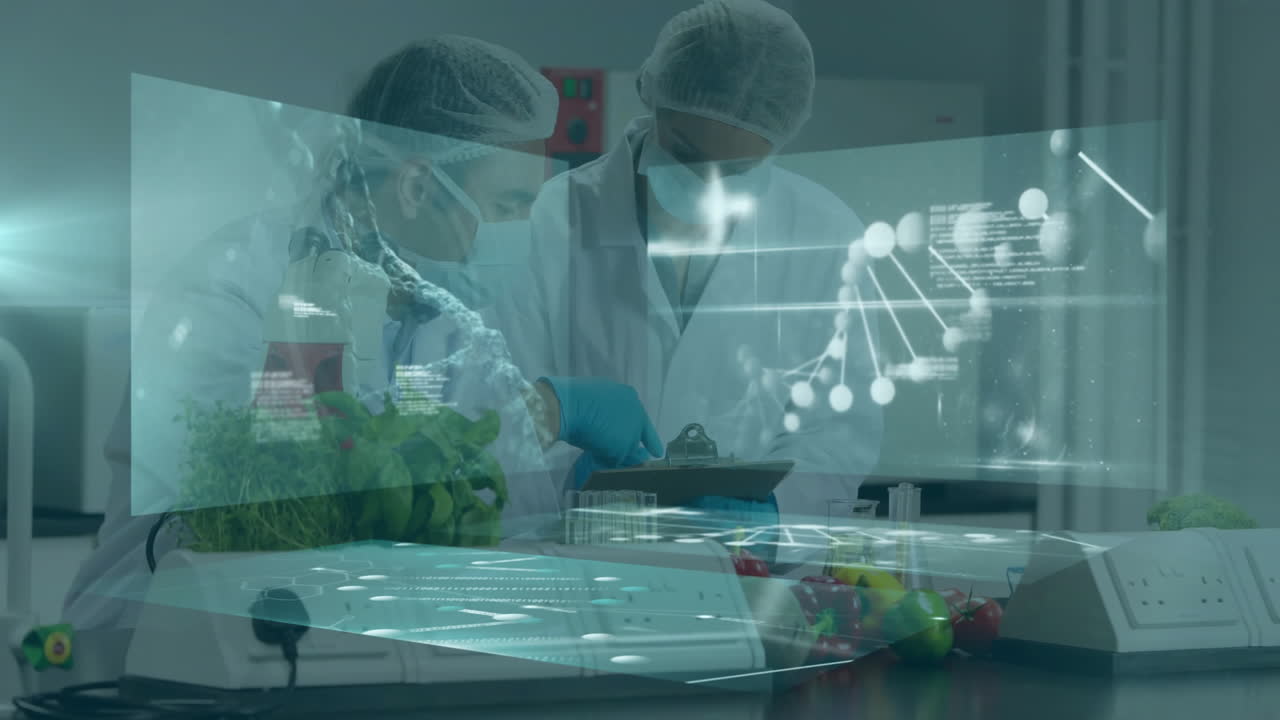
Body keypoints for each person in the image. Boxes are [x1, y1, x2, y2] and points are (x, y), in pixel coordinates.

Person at [63, 36, 600, 629]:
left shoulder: (438, 307)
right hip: (163, 641)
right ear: (417, 187)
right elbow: (279, 504)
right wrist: (534, 415)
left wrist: (589, 485)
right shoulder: (236, 289)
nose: (521, 233)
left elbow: (500, 511)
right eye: (507, 205)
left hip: (340, 642)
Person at [508, 0, 884, 535]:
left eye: (734, 169)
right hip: (581, 555)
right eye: (683, 150)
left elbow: (841, 429)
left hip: (747, 566)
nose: (705, 186)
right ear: (652, 94)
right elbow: (506, 408)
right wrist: (567, 505)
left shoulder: (824, 232)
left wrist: (773, 516)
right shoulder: (555, 216)